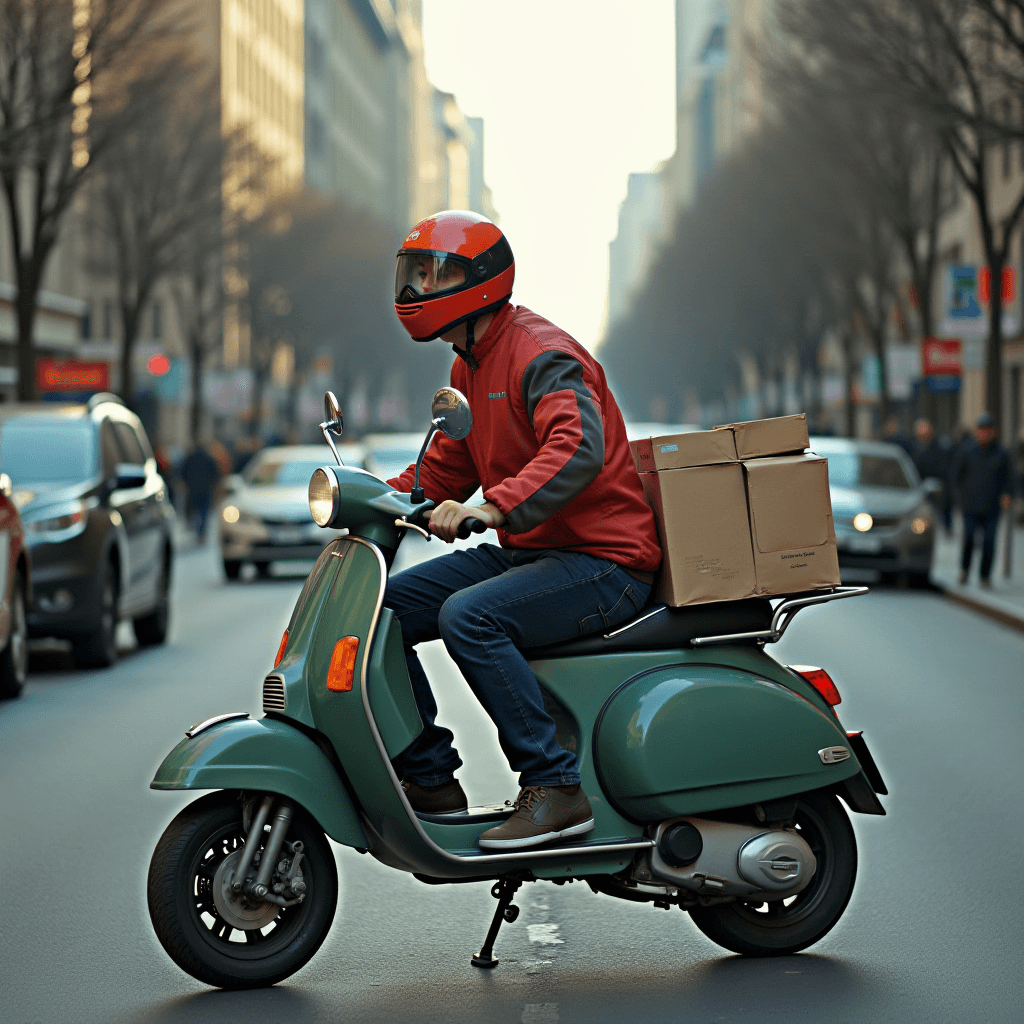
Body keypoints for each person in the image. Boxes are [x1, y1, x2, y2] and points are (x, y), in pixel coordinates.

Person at [384, 211, 662, 850]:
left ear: (479, 280)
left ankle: (555, 787)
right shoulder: (470, 364)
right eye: (414, 273)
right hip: (539, 553)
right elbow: (449, 463)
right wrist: (378, 499)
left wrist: (494, 507)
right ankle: (428, 776)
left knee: (469, 617)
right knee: (386, 609)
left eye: (435, 274)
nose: (418, 289)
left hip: (605, 562)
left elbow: (577, 445)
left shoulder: (541, 354)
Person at [953, 413, 1015, 587]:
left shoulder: (1001, 454)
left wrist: (1007, 495)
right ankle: (965, 570)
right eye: (981, 431)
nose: (984, 434)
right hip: (970, 506)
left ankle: (985, 575)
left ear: (993, 432)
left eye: (987, 431)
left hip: (991, 506)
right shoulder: (968, 451)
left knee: (989, 541)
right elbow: (957, 476)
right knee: (969, 538)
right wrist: (961, 498)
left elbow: (1009, 479)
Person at [909, 418, 952, 533]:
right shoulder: (914, 446)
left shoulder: (939, 447)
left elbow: (944, 468)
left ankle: (946, 529)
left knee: (942, 513)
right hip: (921, 487)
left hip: (938, 488)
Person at [180, 441, 221, 542]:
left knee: (193, 509)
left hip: (192, 489)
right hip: (205, 489)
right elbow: (215, 473)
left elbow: (182, 472)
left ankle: (194, 526)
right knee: (204, 512)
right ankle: (201, 532)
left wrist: (186, 483)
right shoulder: (209, 459)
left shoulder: (190, 458)